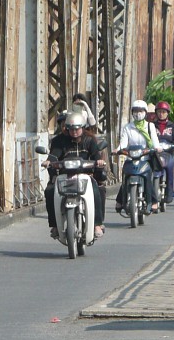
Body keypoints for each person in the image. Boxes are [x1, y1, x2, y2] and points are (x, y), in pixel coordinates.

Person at [43, 111, 106, 240]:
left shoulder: (89, 140)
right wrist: (49, 161)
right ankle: (54, 225)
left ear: (82, 127)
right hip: (65, 176)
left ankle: (97, 224)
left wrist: (98, 161)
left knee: (98, 190)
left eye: (77, 129)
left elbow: (96, 155)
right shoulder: (59, 141)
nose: (74, 132)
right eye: (71, 129)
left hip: (86, 175)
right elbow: (54, 154)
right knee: (50, 191)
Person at [116, 99, 161, 213]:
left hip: (145, 158)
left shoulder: (150, 126)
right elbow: (123, 142)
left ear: (145, 112)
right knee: (126, 177)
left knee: (148, 177)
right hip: (131, 158)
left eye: (140, 111)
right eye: (135, 111)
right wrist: (118, 150)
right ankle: (120, 200)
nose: (138, 113)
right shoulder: (128, 127)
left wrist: (156, 148)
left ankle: (153, 201)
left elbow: (155, 141)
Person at [153, 101, 174, 203]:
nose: (161, 114)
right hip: (155, 153)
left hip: (168, 152)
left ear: (167, 113)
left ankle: (169, 193)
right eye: (159, 112)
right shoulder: (152, 125)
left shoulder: (172, 126)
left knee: (170, 168)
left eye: (164, 112)